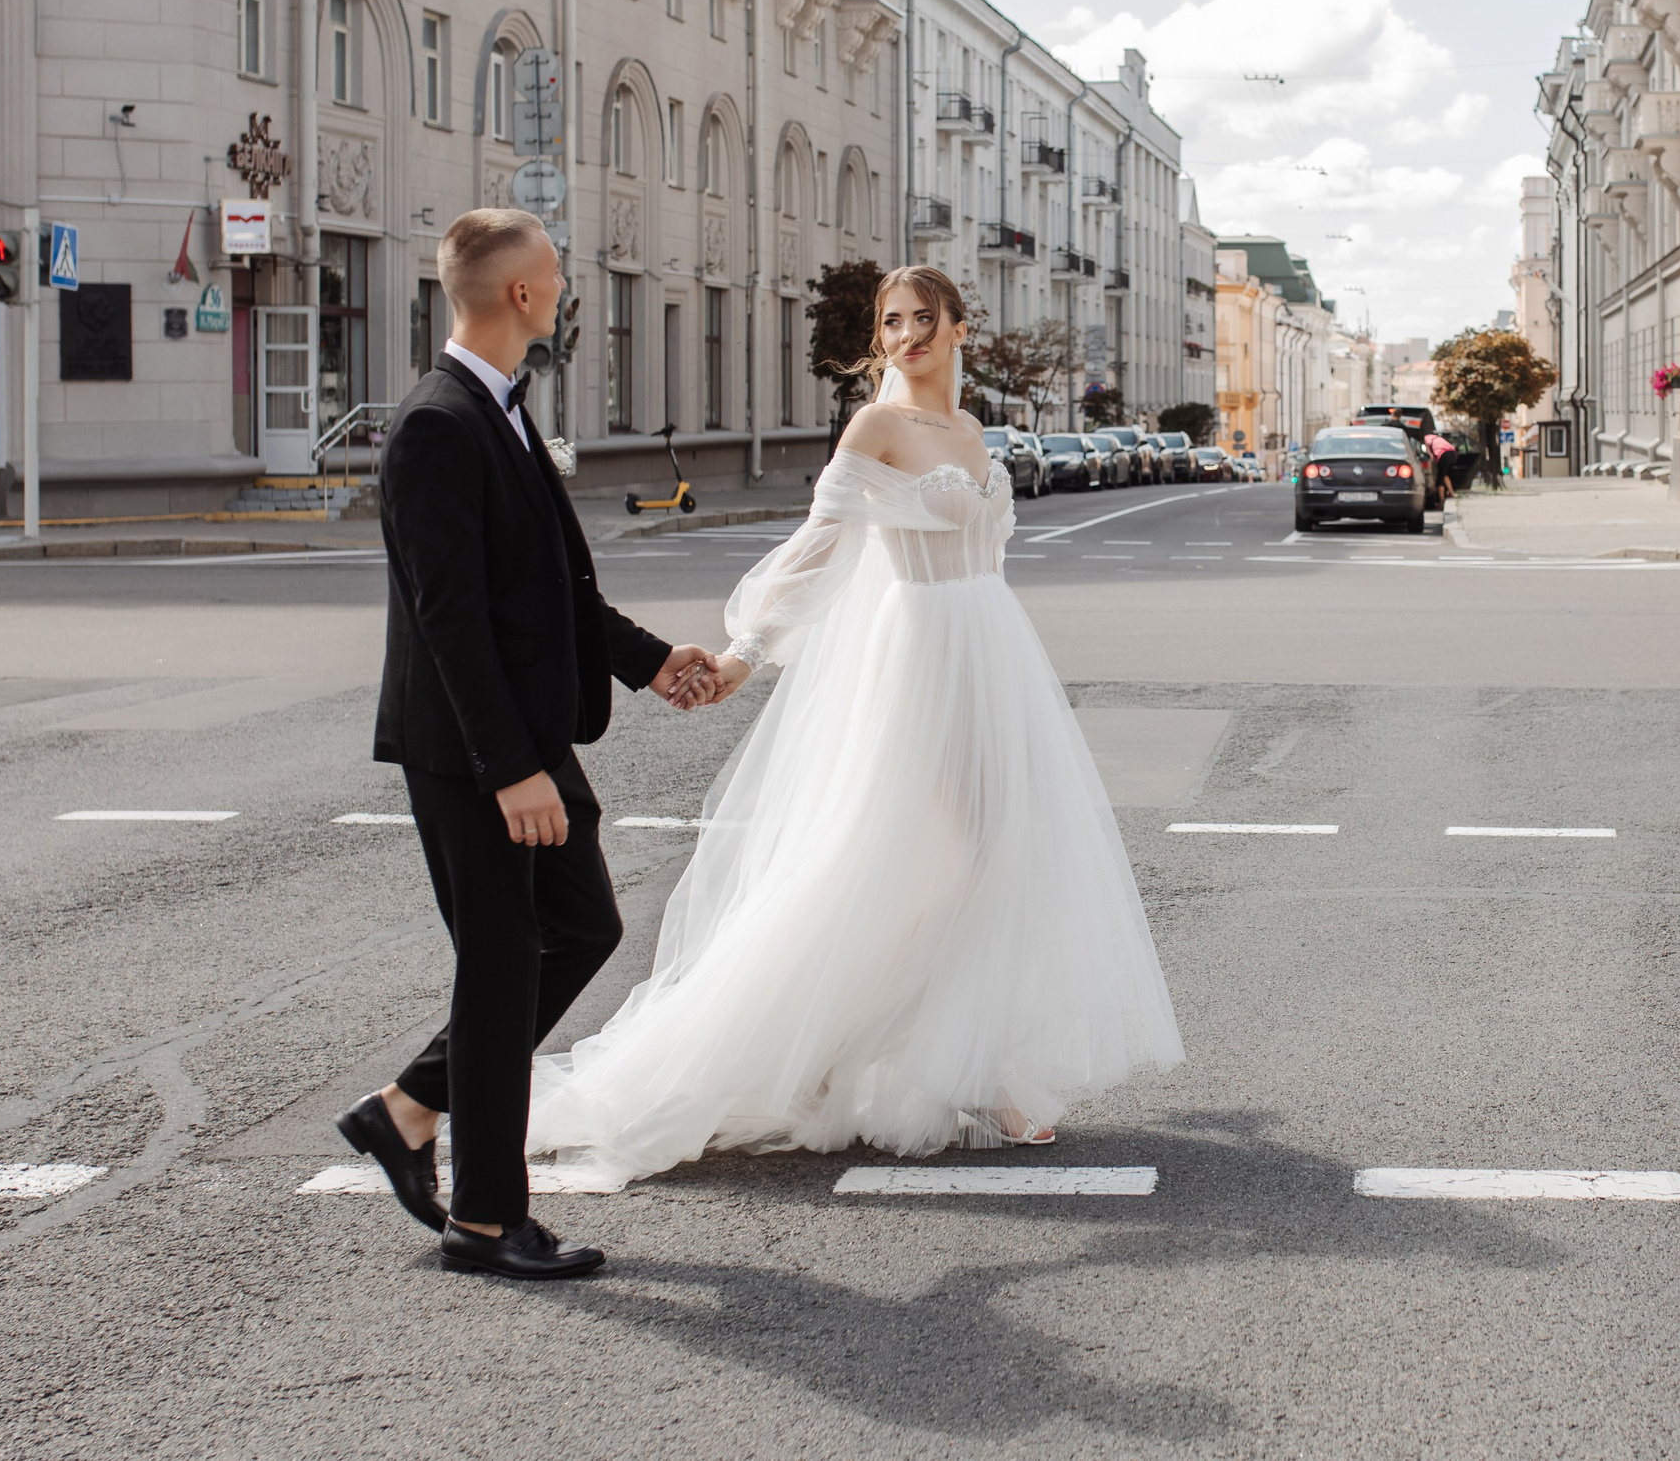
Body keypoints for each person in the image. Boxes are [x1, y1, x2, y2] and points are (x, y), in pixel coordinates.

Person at [524, 265, 1184, 1185]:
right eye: (892, 321)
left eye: (924, 318)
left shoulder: (970, 430)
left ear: (961, 326)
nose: (907, 334)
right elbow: (818, 549)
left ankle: (903, 1049)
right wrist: (744, 656)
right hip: (921, 652)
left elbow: (979, 547)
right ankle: (923, 1059)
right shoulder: (876, 426)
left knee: (989, 855)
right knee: (931, 856)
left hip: (992, 651)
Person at [336, 208, 721, 1281]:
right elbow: (447, 615)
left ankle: (409, 1107)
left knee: (579, 926)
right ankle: (487, 1219)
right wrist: (509, 770)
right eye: (555, 274)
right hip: (474, 750)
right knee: (503, 964)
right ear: (520, 294)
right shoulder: (437, 424)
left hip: (522, 735)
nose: (563, 288)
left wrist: (651, 661)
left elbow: (550, 589)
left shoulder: (496, 410)